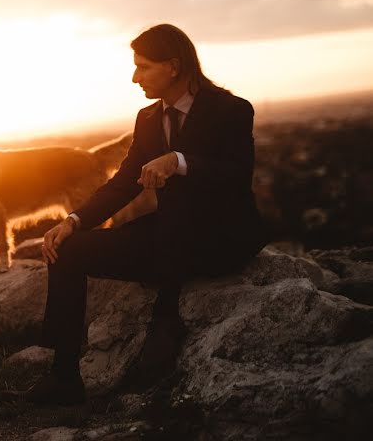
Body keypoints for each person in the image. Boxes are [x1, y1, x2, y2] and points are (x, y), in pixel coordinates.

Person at [27, 24, 265, 405]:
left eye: (144, 67)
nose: (134, 77)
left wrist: (179, 161)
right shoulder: (149, 118)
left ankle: (166, 316)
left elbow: (237, 175)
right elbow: (124, 183)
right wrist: (73, 221)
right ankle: (64, 374)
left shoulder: (230, 109)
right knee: (67, 250)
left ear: (173, 66)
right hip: (168, 237)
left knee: (169, 231)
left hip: (221, 238)